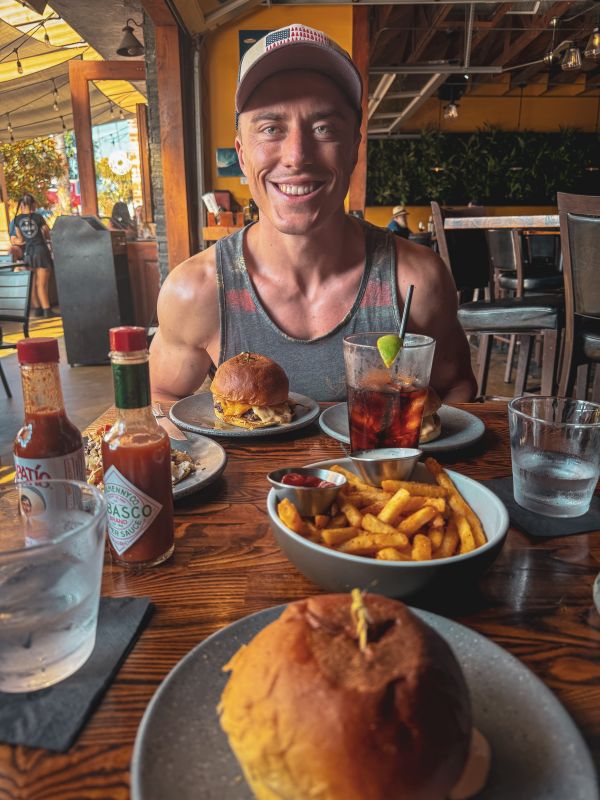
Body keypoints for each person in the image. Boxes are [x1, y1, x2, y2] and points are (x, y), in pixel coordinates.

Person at [150, 24, 476, 403]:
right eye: (271, 128)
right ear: (242, 154)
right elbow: (161, 397)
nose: (297, 156)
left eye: (323, 128)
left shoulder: (416, 281)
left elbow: (457, 391)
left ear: (353, 149)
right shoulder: (195, 291)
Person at [11, 193, 55, 317]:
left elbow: (21, 240)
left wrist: (17, 241)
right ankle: (47, 310)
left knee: (34, 282)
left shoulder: (17, 220)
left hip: (28, 253)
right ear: (33, 204)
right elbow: (48, 234)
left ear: (22, 205)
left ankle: (38, 309)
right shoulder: (38, 217)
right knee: (42, 283)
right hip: (40, 251)